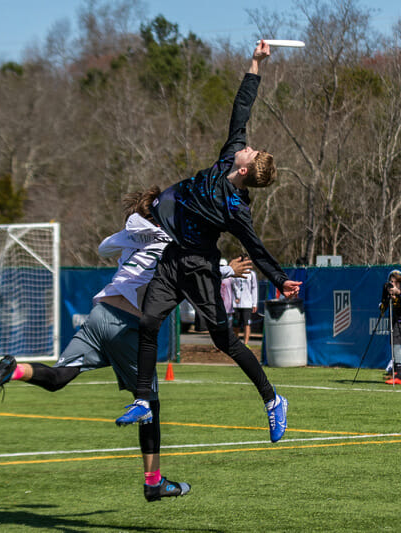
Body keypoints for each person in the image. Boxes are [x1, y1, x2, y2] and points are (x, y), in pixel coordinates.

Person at [0, 187, 252, 502]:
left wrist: (134, 234)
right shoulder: (172, 242)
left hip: (99, 313)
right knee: (149, 404)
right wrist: (230, 268)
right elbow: (200, 267)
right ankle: (154, 483)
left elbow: (104, 246)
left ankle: (13, 370)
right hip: (126, 327)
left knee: (57, 378)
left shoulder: (135, 237)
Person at [116, 41, 302, 443]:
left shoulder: (236, 206)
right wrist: (255, 63)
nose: (247, 145)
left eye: (250, 150)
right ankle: (144, 398)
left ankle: (272, 400)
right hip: (172, 256)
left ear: (247, 167)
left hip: (199, 266)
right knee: (148, 322)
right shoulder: (229, 153)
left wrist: (279, 277)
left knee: (224, 339)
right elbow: (242, 108)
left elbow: (255, 247)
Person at [232, 264, 258, 346]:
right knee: (236, 324)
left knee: (247, 324)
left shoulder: (251, 274)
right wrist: (237, 296)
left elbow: (254, 288)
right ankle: (236, 343)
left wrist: (254, 303)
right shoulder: (235, 273)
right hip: (236, 304)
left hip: (247, 304)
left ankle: (246, 343)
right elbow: (233, 285)